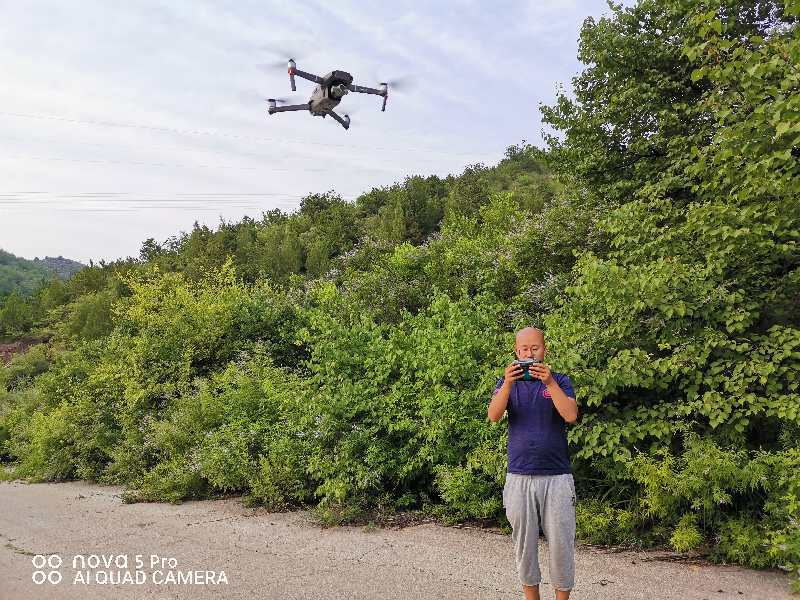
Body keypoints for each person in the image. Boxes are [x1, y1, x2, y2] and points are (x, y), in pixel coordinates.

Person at [488, 326, 579, 600]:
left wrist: (549, 383)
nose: (529, 354)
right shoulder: (507, 383)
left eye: (535, 348)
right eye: (524, 349)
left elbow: (571, 415)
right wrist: (507, 384)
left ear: (544, 350)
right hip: (519, 475)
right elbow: (493, 416)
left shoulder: (559, 380)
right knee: (524, 547)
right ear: (517, 352)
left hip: (557, 476)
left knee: (561, 546)